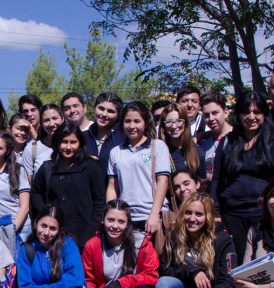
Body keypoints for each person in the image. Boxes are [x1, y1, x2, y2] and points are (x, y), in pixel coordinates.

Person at [210, 90, 274, 261]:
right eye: (246, 112)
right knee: (237, 263)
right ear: (238, 115)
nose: (251, 117)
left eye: (257, 112)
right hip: (232, 216)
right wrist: (215, 213)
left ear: (264, 114)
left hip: (264, 215)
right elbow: (217, 180)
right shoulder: (227, 142)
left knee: (262, 262)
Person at [154, 193, 239, 288]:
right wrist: (192, 271)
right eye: (188, 212)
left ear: (208, 216)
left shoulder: (223, 239)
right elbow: (165, 269)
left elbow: (229, 282)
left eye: (199, 214)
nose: (192, 218)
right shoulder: (175, 236)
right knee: (163, 285)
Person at [30, 122, 105, 249]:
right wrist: (46, 214)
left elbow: (99, 200)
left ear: (80, 143)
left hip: (85, 235)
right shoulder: (48, 168)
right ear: (57, 143)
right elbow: (36, 193)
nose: (68, 147)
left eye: (73, 142)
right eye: (64, 142)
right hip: (55, 236)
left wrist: (93, 228)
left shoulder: (90, 166)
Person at [106, 102, 172, 237]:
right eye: (127, 121)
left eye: (137, 121)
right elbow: (113, 188)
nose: (132, 126)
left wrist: (154, 214)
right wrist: (110, 215)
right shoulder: (115, 152)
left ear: (145, 123)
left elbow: (163, 181)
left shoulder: (157, 146)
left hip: (152, 217)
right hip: (126, 218)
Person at [83, 92, 126, 176]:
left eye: (111, 111)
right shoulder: (82, 137)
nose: (104, 114)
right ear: (95, 108)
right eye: (101, 108)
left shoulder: (124, 137)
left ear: (118, 115)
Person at [157, 104, 204, 177]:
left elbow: (202, 182)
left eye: (179, 121)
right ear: (163, 125)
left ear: (185, 123)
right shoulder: (158, 151)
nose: (174, 126)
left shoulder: (197, 152)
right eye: (169, 122)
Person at [197, 90, 232, 183]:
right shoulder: (202, 143)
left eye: (215, 113)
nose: (211, 119)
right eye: (206, 115)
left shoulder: (239, 138)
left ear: (226, 112)